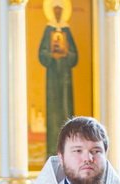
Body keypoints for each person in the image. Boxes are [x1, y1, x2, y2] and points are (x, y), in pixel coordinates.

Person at [38, 3, 78, 158]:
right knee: (53, 112)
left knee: (66, 109)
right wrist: (51, 55)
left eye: (60, 11)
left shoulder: (67, 30)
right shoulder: (48, 30)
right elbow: (42, 53)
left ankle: (69, 149)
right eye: (55, 11)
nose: (58, 13)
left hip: (66, 77)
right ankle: (52, 151)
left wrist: (66, 54)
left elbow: (75, 55)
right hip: (53, 77)